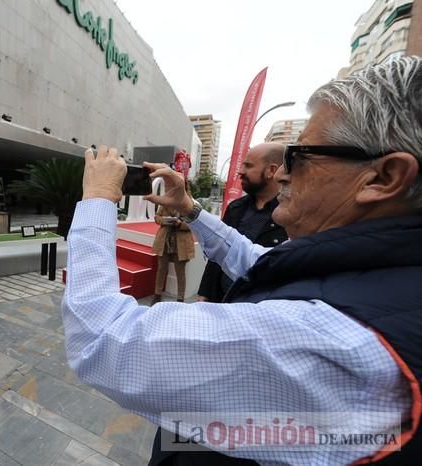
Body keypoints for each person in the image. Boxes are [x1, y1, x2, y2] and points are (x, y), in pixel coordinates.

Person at [62, 56, 421, 465]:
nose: (283, 175)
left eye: (299, 157)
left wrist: (96, 200)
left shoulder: (336, 340)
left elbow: (102, 338)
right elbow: (257, 260)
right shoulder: (377, 275)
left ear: (383, 177)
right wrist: (191, 208)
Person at [197, 143, 288, 302]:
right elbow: (218, 254)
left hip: (254, 307)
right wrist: (204, 293)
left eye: (248, 166)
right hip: (221, 301)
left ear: (271, 171)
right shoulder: (236, 208)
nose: (240, 171)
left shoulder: (289, 215)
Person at [152, 178, 195, 303]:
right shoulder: (166, 200)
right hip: (164, 240)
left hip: (181, 242)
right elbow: (157, 217)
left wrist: (179, 224)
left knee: (180, 272)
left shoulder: (191, 203)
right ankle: (157, 295)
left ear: (184, 187)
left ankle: (180, 299)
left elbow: (193, 224)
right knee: (161, 269)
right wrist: (163, 220)